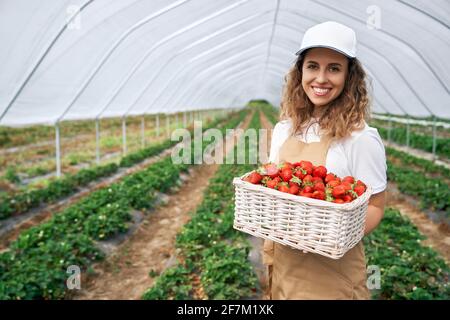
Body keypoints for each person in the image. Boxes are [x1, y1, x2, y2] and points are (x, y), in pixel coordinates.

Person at [263, 21, 387, 300]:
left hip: (332, 274)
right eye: (313, 66)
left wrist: (331, 238)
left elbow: (376, 206)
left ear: (349, 76)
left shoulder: (360, 138)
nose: (321, 78)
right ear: (300, 72)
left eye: (334, 68)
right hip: (284, 262)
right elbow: (274, 186)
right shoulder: (285, 129)